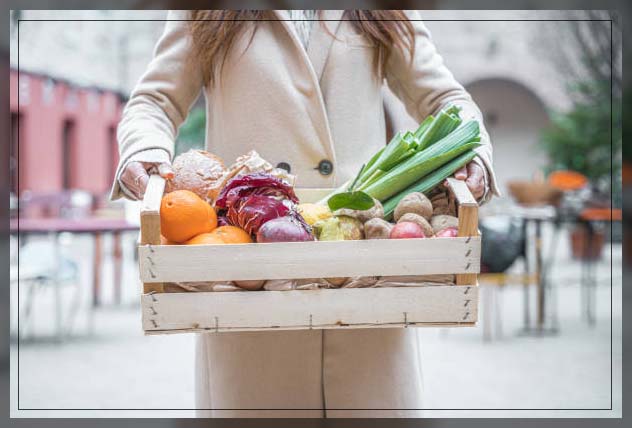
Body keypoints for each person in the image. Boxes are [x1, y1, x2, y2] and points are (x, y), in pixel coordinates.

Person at [112, 10, 499, 418]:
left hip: (367, 283)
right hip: (249, 291)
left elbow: (443, 97)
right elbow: (155, 99)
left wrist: (473, 152)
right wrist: (144, 150)